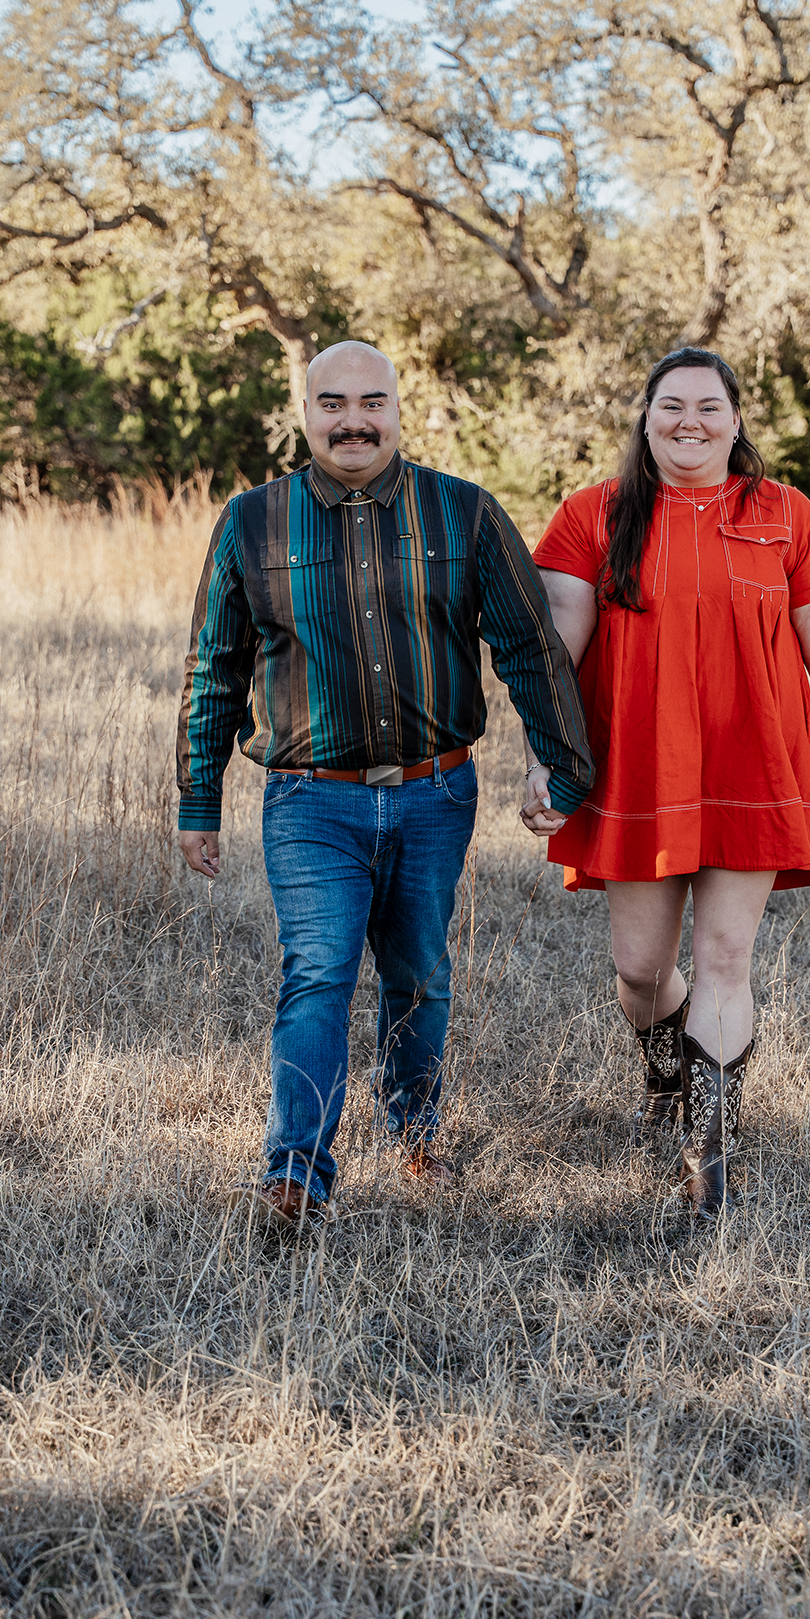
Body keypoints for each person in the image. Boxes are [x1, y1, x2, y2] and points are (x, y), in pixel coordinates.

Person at [177, 341, 593, 1227]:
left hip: (435, 795)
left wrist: (561, 762)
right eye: (333, 403)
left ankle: (412, 1132)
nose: (353, 420)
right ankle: (295, 1174)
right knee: (318, 971)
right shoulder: (252, 522)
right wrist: (197, 800)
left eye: (372, 401)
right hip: (308, 798)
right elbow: (215, 667)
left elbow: (529, 646)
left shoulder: (466, 514)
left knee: (420, 975)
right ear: (306, 411)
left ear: (400, 408)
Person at [522, 347, 810, 1217]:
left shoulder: (785, 515)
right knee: (641, 968)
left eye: (709, 407)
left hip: (752, 764)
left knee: (724, 958)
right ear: (645, 418)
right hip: (635, 771)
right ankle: (665, 1065)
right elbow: (556, 646)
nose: (690, 421)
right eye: (672, 406)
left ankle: (707, 1157)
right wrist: (545, 753)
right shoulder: (593, 516)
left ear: (734, 419)